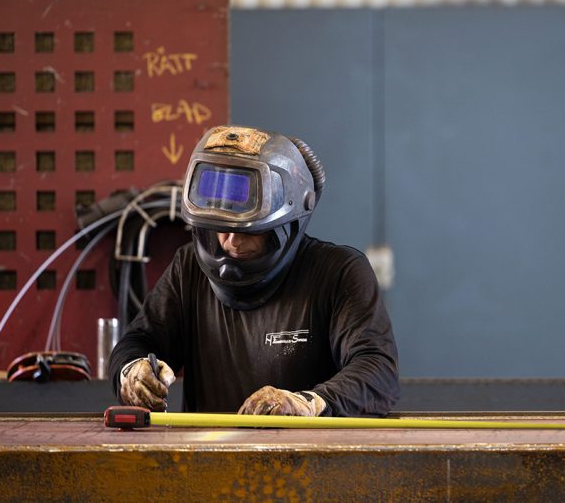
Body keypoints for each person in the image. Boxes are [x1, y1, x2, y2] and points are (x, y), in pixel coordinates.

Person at [109, 125, 399, 416]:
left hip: (309, 457)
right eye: (220, 228)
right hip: (208, 457)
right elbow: (138, 342)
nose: (231, 242)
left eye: (249, 231)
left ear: (286, 223)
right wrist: (133, 372)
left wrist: (308, 404)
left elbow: (377, 372)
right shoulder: (189, 268)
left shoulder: (339, 273)